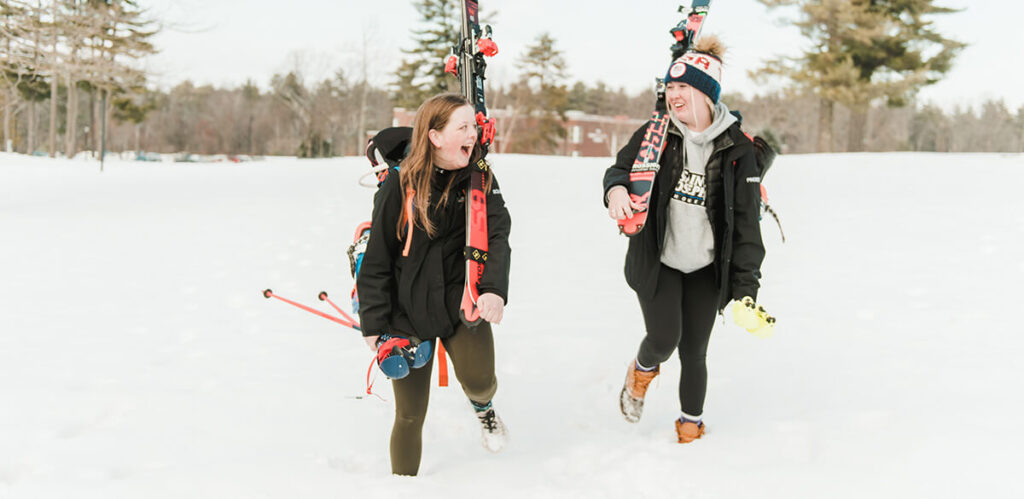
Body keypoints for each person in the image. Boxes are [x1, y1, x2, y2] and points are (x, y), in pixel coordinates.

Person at [602, 36, 770, 443]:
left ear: (706, 93)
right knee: (664, 338)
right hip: (658, 259)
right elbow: (620, 170)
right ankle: (640, 373)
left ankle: (690, 426)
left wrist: (746, 291)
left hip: (707, 267)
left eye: (683, 88)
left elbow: (747, 226)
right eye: (670, 88)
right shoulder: (656, 132)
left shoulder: (738, 150)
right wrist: (616, 191)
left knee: (695, 351)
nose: (673, 96)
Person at [356, 93, 512, 475]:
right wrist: (374, 325)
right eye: (463, 127)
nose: (473, 135)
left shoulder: (480, 179)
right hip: (405, 315)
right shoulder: (399, 185)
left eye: (473, 128)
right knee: (409, 414)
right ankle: (403, 486)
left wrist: (492, 288)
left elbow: (497, 234)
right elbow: (376, 260)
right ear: (435, 136)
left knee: (480, 382)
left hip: (462, 304)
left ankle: (484, 410)